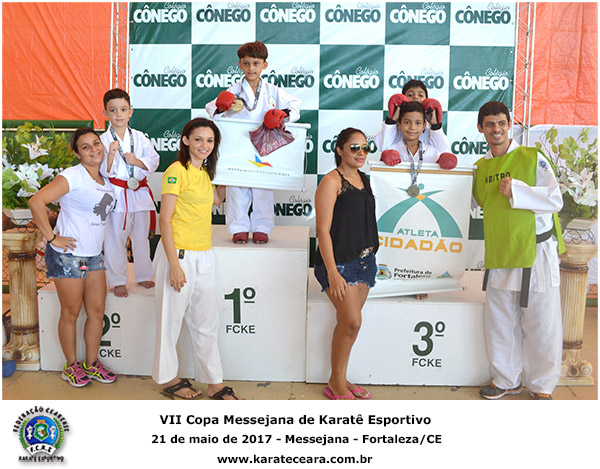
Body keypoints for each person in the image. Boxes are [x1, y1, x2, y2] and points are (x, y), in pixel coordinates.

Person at [472, 101, 565, 400]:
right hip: (500, 251)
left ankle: (542, 385)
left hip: (535, 252)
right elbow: (473, 203)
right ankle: (506, 379)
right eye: (489, 124)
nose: (496, 129)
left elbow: (555, 200)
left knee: (542, 321)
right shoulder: (480, 168)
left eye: (501, 123)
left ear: (510, 125)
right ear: (480, 128)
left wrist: (518, 191)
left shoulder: (532, 157)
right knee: (500, 322)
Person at [152, 118, 240, 400]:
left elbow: (217, 200)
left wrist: (235, 171)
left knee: (206, 323)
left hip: (204, 255)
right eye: (199, 139)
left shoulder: (203, 174)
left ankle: (213, 382)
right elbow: (164, 220)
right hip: (178, 254)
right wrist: (174, 266)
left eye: (210, 140)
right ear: (186, 140)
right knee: (170, 322)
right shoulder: (176, 171)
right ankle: (168, 378)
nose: (204, 145)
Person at [29, 128, 117, 387]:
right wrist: (52, 238)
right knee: (71, 312)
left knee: (97, 312)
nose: (94, 149)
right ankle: (71, 366)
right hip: (68, 257)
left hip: (94, 256)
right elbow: (36, 202)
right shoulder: (72, 175)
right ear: (77, 154)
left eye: (96, 143)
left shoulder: (106, 179)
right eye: (86, 147)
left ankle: (92, 364)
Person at [206, 40, 301, 245]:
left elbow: (295, 106)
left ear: (264, 65)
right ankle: (238, 228)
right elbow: (211, 108)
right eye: (246, 63)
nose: (251, 68)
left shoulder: (273, 90)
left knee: (263, 187)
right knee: (236, 188)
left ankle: (262, 228)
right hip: (238, 144)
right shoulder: (233, 90)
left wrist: (282, 114)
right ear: (239, 65)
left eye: (256, 63)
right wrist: (223, 106)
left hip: (264, 143)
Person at [314, 128, 379, 400]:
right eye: (354, 147)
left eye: (365, 147)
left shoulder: (364, 179)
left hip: (366, 262)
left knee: (348, 324)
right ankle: (335, 381)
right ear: (339, 150)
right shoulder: (331, 181)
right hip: (339, 265)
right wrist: (332, 272)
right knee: (352, 322)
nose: (360, 152)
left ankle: (339, 378)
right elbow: (322, 230)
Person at [100, 88, 160, 298]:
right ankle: (117, 280)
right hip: (117, 193)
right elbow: (102, 171)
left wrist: (137, 161)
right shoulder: (103, 140)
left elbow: (154, 159)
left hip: (138, 191)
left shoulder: (139, 137)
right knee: (115, 238)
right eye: (113, 110)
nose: (119, 114)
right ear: (105, 113)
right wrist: (111, 155)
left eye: (123, 109)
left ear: (130, 112)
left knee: (141, 237)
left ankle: (144, 275)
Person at [375, 79, 449, 155]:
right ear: (402, 98)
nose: (415, 97)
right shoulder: (394, 124)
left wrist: (435, 125)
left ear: (426, 100)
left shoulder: (429, 126)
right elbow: (382, 146)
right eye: (410, 95)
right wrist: (392, 121)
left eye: (420, 95)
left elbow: (441, 150)